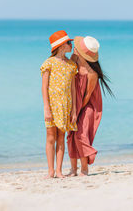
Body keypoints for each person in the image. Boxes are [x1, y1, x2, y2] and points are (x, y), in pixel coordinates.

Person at [67, 36, 113, 176]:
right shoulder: (74, 60)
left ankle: (84, 169)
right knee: (71, 135)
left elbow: (87, 96)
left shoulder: (91, 73)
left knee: (81, 134)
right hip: (76, 104)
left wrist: (78, 111)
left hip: (88, 106)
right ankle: (73, 170)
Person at [40, 30, 78, 178]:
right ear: (62, 46)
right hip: (52, 105)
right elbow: (44, 87)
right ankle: (50, 171)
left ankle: (59, 171)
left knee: (61, 137)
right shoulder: (48, 63)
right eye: (69, 43)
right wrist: (46, 108)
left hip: (66, 106)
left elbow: (73, 89)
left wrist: (74, 109)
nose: (71, 45)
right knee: (50, 137)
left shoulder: (71, 65)